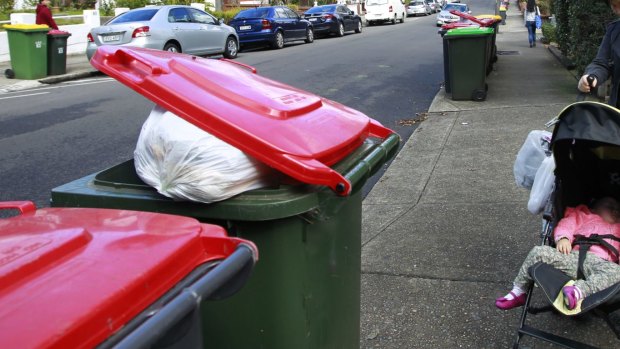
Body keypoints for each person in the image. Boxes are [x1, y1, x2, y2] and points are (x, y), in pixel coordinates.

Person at [495, 197, 620, 311]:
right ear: (593, 208)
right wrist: (563, 238)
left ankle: (578, 291)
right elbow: (567, 225)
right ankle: (519, 290)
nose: (615, 210)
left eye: (618, 209)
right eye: (610, 206)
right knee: (539, 251)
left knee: (617, 272)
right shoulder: (582, 215)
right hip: (572, 258)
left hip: (601, 266)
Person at [577, 0, 620, 107]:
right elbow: (602, 62)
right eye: (614, 6)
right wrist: (591, 76)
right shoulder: (614, 30)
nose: (617, 11)